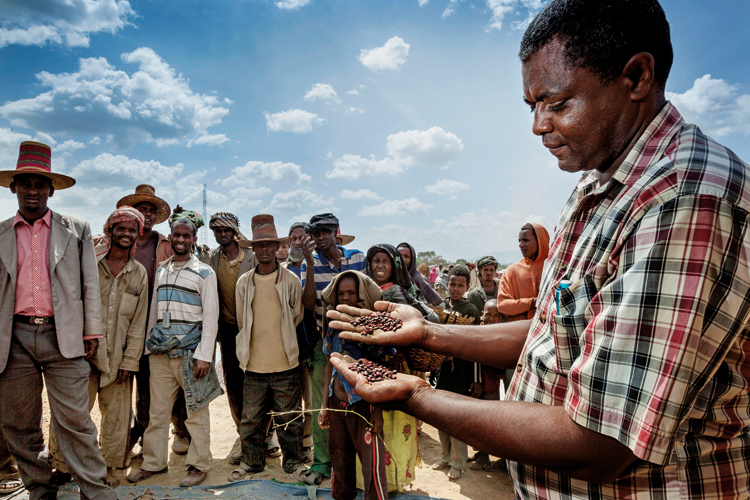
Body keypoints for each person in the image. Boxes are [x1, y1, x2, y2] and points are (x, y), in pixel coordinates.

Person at [326, 1, 750, 498]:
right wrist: (433, 333)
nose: (538, 125)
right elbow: (555, 330)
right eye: (532, 106)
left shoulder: (682, 200)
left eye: (556, 103)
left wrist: (416, 394)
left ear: (636, 77)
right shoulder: (600, 183)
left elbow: (599, 444)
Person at [0, 141, 117, 500]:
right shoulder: (2, 232)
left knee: (76, 423)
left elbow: (89, 284)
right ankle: (39, 489)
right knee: (19, 424)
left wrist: (92, 330)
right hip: (14, 338)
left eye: (40, 184)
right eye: (25, 183)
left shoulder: (75, 229)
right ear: (14, 187)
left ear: (51, 190)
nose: (32, 191)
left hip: (64, 336)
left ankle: (95, 492)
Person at [49, 207, 150, 487]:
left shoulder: (138, 273)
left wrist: (130, 362)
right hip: (83, 354)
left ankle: (108, 467)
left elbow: (138, 323)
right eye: (121, 228)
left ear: (137, 235)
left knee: (116, 418)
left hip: (118, 359)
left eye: (132, 230)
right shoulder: (90, 263)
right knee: (71, 412)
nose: (126, 234)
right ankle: (62, 464)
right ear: (110, 230)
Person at [127, 218, 221, 488]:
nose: (181, 239)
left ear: (193, 239)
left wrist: (204, 355)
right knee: (157, 413)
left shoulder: (204, 272)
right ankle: (154, 463)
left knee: (197, 412)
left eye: (186, 235)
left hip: (191, 355)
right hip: (161, 355)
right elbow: (155, 311)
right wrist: (148, 347)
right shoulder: (163, 270)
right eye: (176, 235)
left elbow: (211, 317)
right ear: (171, 237)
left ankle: (198, 465)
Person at [116, 185, 192, 457]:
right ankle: (137, 437)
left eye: (150, 210)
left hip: (159, 326)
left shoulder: (165, 243)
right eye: (141, 209)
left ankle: (181, 431)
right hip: (123, 324)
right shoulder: (121, 240)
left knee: (166, 381)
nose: (146, 214)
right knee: (133, 387)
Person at [229, 214, 307, 481]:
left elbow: (296, 316)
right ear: (253, 248)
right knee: (251, 420)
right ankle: (252, 462)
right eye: (259, 245)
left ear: (276, 248)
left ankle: (294, 462)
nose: (264, 250)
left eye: (269, 245)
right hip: (253, 364)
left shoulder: (291, 281)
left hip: (285, 362)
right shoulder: (244, 283)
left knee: (290, 419)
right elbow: (242, 320)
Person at [299, 213, 366, 485]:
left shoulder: (357, 258)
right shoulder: (310, 264)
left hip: (359, 341)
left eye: (325, 231)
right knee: (321, 402)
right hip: (324, 341)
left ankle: (361, 462)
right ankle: (322, 462)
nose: (320, 237)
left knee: (360, 398)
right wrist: (309, 266)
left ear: (336, 232)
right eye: (316, 233)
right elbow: (306, 305)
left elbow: (369, 296)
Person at [319, 271, 390, 500]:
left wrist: (377, 412)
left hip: (363, 405)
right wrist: (324, 406)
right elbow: (330, 364)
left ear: (360, 296)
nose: (345, 298)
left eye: (351, 293)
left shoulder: (370, 330)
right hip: (337, 404)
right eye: (341, 293)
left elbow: (379, 371)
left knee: (371, 462)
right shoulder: (333, 326)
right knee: (339, 459)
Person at [205, 212, 258, 465]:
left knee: (258, 384)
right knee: (235, 386)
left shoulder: (253, 257)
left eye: (226, 230)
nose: (222, 234)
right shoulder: (212, 258)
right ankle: (244, 435)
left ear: (235, 231)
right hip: (227, 331)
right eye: (217, 230)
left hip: (255, 329)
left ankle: (264, 436)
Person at [433, 265, 481, 480]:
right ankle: (445, 457)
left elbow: (477, 346)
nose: (455, 288)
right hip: (442, 370)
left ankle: (458, 463)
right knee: (441, 415)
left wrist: (476, 379)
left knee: (457, 419)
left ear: (467, 287)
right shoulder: (441, 306)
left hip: (462, 371)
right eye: (452, 284)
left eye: (460, 285)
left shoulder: (471, 310)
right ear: (447, 284)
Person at [284, 221, 317, 457]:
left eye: (303, 238)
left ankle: (307, 441)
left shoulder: (316, 268)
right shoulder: (280, 271)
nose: (298, 243)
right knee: (287, 399)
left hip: (310, 343)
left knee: (310, 398)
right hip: (285, 345)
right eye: (294, 238)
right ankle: (290, 444)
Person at [496, 223, 550, 322]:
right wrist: (532, 303)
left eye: (525, 240)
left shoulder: (554, 268)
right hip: (519, 332)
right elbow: (502, 306)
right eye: (519, 241)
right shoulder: (512, 270)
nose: (521, 245)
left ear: (540, 241)